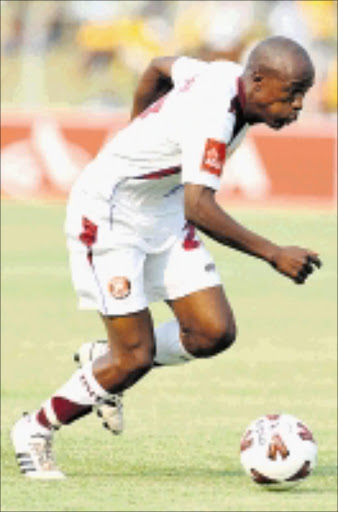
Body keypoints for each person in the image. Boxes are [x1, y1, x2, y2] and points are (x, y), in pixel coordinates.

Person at [11, 36, 322, 479]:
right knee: (134, 358)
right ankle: (35, 429)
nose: (297, 106)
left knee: (213, 332)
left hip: (162, 213)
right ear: (257, 80)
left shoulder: (220, 74)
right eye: (292, 93)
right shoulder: (214, 113)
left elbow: (158, 67)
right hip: (110, 217)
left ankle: (104, 361)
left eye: (302, 95)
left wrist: (139, 129)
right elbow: (200, 207)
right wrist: (273, 253)